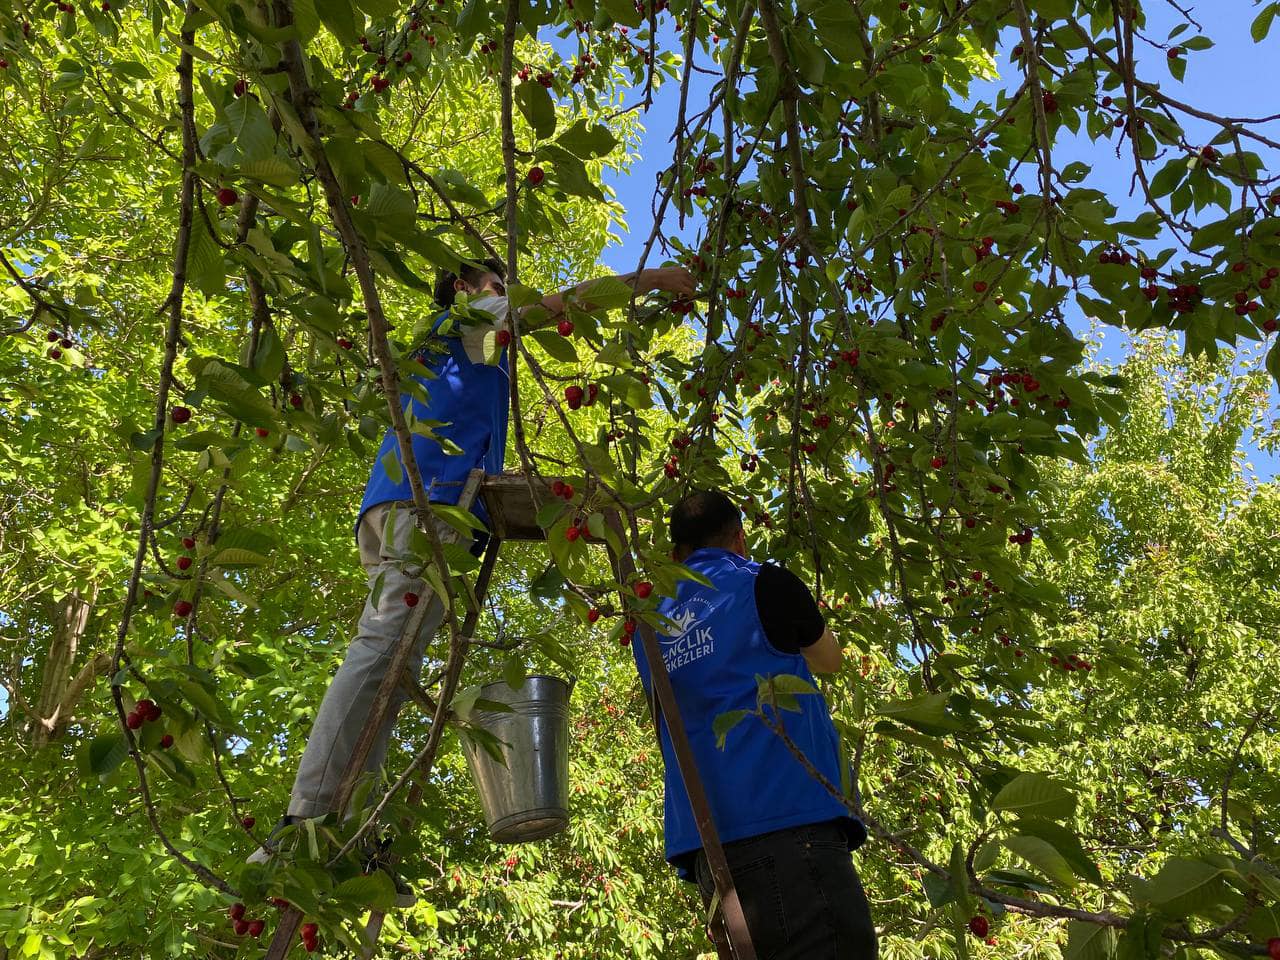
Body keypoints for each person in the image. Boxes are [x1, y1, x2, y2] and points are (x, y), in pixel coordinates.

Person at [250, 257, 697, 900]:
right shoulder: (466, 316)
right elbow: (554, 308)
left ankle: (342, 837)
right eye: (497, 285)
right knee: (381, 654)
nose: (506, 294)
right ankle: (302, 825)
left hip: (417, 505)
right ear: (464, 288)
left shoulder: (473, 354)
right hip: (427, 501)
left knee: (393, 670)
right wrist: (648, 282)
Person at [631, 490, 877, 959]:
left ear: (674, 554)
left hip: (710, 852)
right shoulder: (763, 583)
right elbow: (829, 661)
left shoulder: (647, 624)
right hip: (791, 830)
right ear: (740, 540)